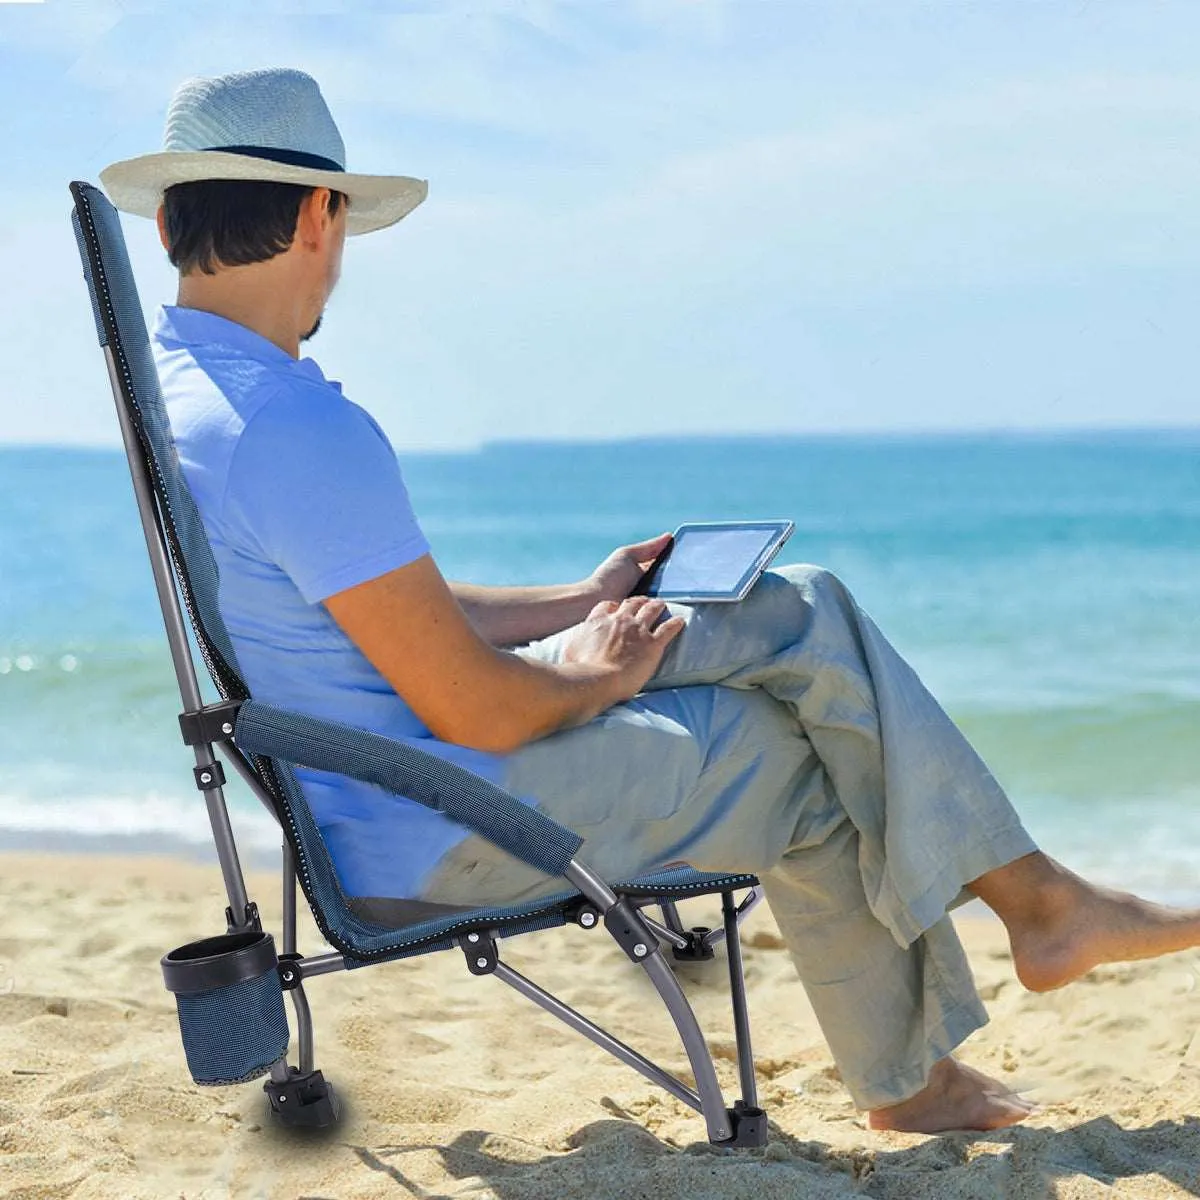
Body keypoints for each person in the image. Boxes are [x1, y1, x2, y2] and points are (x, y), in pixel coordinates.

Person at [101, 68, 1200, 1135]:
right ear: (317, 217)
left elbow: (388, 616)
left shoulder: (198, 395)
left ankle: (1039, 908)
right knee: (800, 751)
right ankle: (935, 1050)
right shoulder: (295, 429)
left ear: (167, 231)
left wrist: (579, 601)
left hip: (377, 788)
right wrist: (598, 674)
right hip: (439, 819)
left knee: (795, 605)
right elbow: (480, 712)